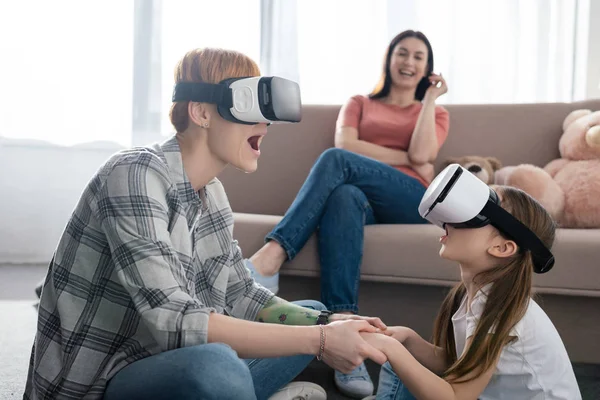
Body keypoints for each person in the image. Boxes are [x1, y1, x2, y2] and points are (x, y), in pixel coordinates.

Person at [23, 48, 390, 400]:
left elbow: (241, 295)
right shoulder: (134, 172)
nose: (266, 123)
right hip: (99, 382)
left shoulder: (212, 196)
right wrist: (321, 342)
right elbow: (175, 320)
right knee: (217, 368)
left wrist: (329, 322)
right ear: (201, 112)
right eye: (250, 105)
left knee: (309, 313)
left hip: (161, 362)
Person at [248, 30, 450, 398]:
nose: (408, 61)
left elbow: (418, 154)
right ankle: (348, 334)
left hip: (410, 200)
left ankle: (272, 255)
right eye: (402, 53)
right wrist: (407, 158)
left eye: (419, 57)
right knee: (343, 194)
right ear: (389, 59)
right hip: (362, 202)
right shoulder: (359, 102)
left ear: (427, 69)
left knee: (337, 163)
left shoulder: (434, 111)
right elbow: (346, 142)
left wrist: (431, 99)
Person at [361, 186, 582, 400]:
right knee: (401, 359)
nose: (454, 217)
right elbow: (461, 363)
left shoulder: (496, 310)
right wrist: (409, 339)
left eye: (477, 212)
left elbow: (455, 396)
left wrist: (390, 347)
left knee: (397, 359)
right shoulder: (480, 295)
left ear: (502, 248)